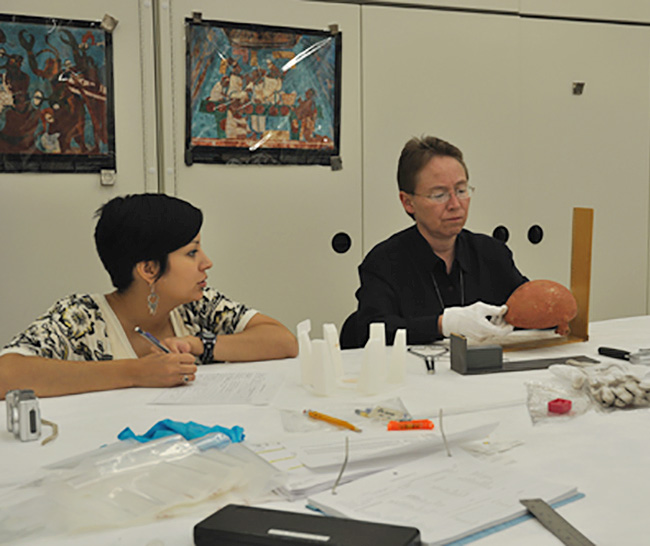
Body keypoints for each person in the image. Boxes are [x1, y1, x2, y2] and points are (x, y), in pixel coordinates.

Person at [0, 193, 298, 398]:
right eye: (192, 252)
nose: (206, 263)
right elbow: (6, 373)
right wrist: (134, 373)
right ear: (149, 269)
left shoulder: (197, 306)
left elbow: (282, 342)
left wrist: (199, 345)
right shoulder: (81, 317)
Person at [346, 135, 527, 348]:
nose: (455, 204)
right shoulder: (384, 262)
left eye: (461, 191)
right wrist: (442, 325)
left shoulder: (491, 253)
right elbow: (372, 330)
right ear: (408, 202)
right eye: (439, 195)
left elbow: (527, 306)